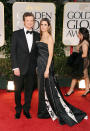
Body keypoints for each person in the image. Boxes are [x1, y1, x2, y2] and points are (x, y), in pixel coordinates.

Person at [36, 18, 88, 126]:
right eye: (41, 24)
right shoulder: (41, 36)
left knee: (51, 90)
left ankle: (64, 112)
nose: (43, 26)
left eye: (45, 24)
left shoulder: (50, 38)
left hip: (46, 66)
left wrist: (46, 69)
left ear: (49, 26)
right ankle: (43, 111)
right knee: (41, 89)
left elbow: (50, 55)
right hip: (40, 66)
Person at [11, 12, 40, 119]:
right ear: (24, 21)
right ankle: (18, 109)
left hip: (32, 69)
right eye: (28, 20)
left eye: (32, 20)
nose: (30, 22)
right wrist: (15, 67)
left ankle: (26, 109)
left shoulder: (37, 35)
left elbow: (38, 53)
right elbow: (13, 52)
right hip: (19, 68)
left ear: (34, 22)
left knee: (29, 90)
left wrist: (37, 66)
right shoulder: (16, 34)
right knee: (17, 90)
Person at [65, 27, 90, 97]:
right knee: (85, 75)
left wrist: (76, 59)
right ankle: (87, 89)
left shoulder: (84, 43)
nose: (77, 34)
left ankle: (71, 90)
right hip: (83, 61)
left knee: (75, 75)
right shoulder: (82, 41)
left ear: (81, 34)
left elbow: (84, 54)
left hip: (83, 62)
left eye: (78, 33)